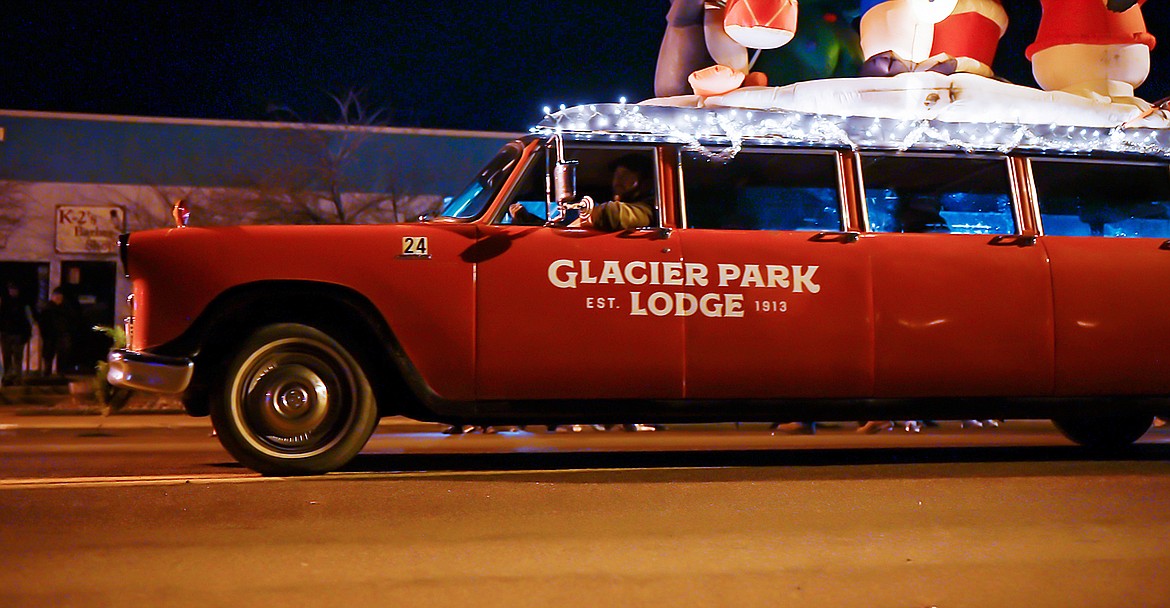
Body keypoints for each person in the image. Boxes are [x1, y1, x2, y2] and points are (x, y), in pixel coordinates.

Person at [510, 153, 657, 231]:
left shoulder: (651, 208)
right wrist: (530, 221)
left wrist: (590, 215)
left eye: (626, 177)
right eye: (617, 175)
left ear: (646, 183)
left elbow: (613, 213)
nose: (618, 181)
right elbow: (565, 235)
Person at [37, 287, 80, 376]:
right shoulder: (48, 308)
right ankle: (47, 372)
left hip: (62, 334)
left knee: (63, 353)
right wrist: (44, 333)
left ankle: (60, 372)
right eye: (56, 296)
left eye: (60, 297)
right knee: (49, 354)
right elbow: (42, 322)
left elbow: (72, 319)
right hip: (50, 335)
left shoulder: (65, 308)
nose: (58, 299)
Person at [0, 283, 34, 385]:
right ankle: (8, 377)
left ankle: (16, 378)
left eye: (14, 289)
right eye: (11, 289)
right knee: (7, 357)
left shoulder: (23, 303)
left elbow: (29, 319)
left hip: (18, 334)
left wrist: (27, 332)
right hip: (6, 334)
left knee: (17, 357)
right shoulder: (4, 303)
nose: (12, 291)